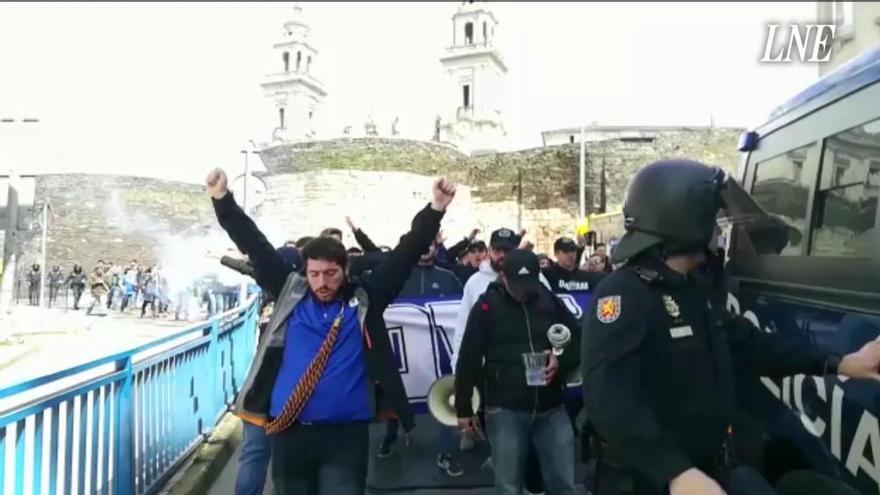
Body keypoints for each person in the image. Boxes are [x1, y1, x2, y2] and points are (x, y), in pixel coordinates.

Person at [581, 159, 880, 495]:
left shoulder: (693, 291)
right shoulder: (625, 295)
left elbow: (753, 346)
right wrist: (675, 471)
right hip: (652, 481)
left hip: (706, 472)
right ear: (684, 222)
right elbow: (609, 400)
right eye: (713, 221)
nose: (720, 231)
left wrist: (839, 362)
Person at [206, 167, 456, 495]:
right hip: (289, 433)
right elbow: (254, 243)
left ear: (345, 270)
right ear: (304, 272)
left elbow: (406, 253)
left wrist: (436, 207)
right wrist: (222, 200)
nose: (322, 282)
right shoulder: (288, 292)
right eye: (314, 274)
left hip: (346, 439)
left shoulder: (366, 297)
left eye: (331, 273)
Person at [455, 249, 581, 495]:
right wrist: (463, 408)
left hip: (551, 406)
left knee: (563, 484)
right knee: (508, 486)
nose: (525, 291)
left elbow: (578, 339)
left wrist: (560, 360)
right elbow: (468, 358)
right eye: (518, 284)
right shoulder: (486, 307)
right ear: (502, 277)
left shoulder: (548, 299)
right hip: (505, 409)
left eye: (529, 284)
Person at [451, 227, 551, 491]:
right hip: (494, 384)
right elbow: (463, 334)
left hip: (538, 382)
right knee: (505, 450)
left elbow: (556, 324)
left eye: (509, 250)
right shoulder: (475, 284)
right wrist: (463, 384)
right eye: (498, 250)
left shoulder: (540, 282)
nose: (502, 256)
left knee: (535, 450)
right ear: (490, 251)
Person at [378, 233, 464, 474]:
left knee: (445, 397)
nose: (426, 249)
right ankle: (391, 433)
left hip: (439, 354)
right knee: (396, 393)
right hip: (404, 352)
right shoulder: (396, 277)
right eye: (421, 244)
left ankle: (447, 452)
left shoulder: (449, 277)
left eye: (431, 244)